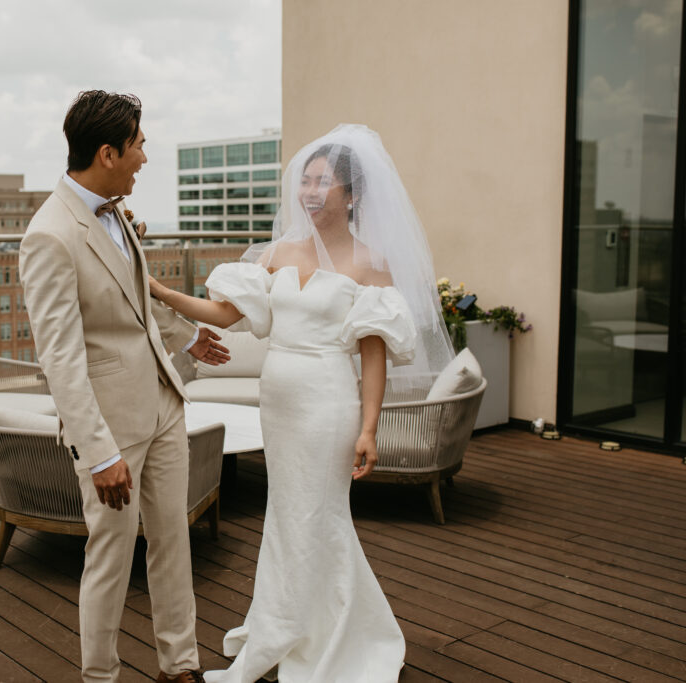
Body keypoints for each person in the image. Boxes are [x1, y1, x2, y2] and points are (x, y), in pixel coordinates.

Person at [148, 124, 455, 682]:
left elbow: (373, 357)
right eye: (305, 180)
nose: (310, 191)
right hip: (281, 404)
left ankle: (329, 634)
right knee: (289, 519)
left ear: (352, 194)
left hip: (328, 406)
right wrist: (161, 292)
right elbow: (224, 315)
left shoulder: (370, 263)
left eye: (323, 182)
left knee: (318, 516)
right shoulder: (280, 251)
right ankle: (292, 623)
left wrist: (368, 430)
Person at [19, 90, 230, 683]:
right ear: (108, 151)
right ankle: (100, 676)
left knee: (172, 542)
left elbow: (134, 300)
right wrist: (100, 452)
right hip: (110, 427)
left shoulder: (113, 212)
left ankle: (179, 665)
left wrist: (186, 340)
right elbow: (60, 358)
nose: (145, 156)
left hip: (163, 404)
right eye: (138, 144)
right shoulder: (50, 235)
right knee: (110, 557)